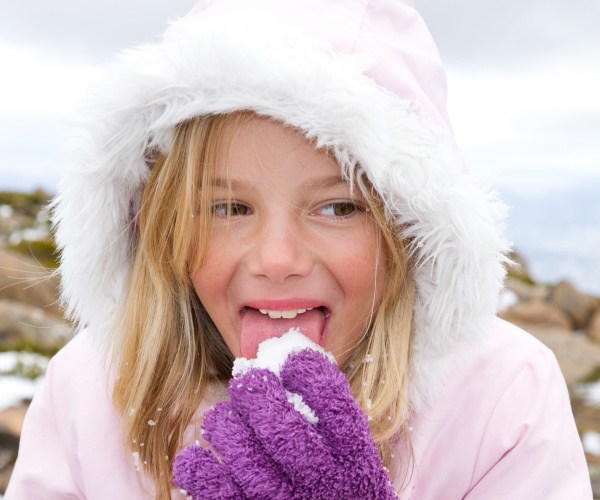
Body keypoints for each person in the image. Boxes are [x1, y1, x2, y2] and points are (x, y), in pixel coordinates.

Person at [6, 0, 592, 498]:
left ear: (410, 234)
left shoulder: (503, 399)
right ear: (164, 228)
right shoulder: (88, 392)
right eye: (229, 208)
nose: (277, 259)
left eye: (338, 207)